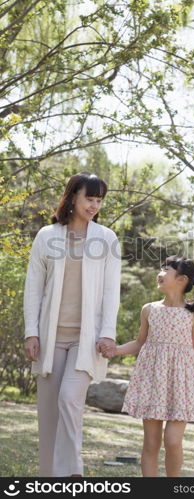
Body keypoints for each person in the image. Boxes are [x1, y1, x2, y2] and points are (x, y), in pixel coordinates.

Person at [23, 172, 121, 477]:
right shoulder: (46, 236)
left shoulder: (106, 239)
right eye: (89, 198)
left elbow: (110, 291)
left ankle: (72, 473)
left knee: (69, 399)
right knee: (49, 414)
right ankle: (49, 478)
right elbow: (33, 288)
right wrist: (31, 332)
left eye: (99, 200)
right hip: (50, 338)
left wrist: (107, 333)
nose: (94, 205)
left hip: (86, 339)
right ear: (72, 197)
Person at [102, 256, 194, 477]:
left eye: (165, 269)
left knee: (172, 442)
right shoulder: (149, 309)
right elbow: (140, 342)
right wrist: (115, 350)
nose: (160, 273)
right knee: (151, 443)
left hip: (180, 384)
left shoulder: (193, 314)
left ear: (181, 279)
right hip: (152, 381)